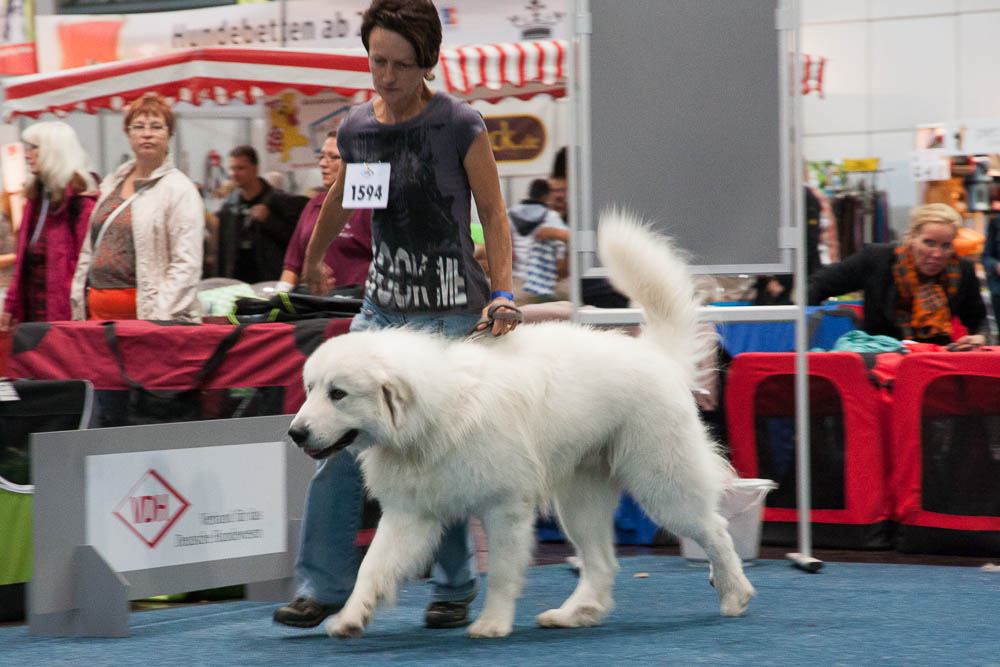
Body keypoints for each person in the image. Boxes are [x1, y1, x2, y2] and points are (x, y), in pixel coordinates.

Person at [273, 0, 519, 632]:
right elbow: (339, 198)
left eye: (400, 66)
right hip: (380, 311)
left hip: (451, 319)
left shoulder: (461, 124)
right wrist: (314, 255)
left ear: (428, 61)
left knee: (442, 460)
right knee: (330, 439)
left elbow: (493, 215)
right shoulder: (357, 127)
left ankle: (455, 585)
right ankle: (323, 584)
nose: (385, 77)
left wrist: (504, 291)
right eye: (377, 61)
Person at [69, 93, 205, 322]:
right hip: (96, 316)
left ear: (169, 133)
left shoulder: (179, 189)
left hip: (148, 318)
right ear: (128, 134)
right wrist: (78, 300)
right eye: (139, 127)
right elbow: (89, 250)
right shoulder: (112, 183)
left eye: (157, 127)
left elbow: (186, 264)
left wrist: (159, 318)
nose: (147, 134)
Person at [808, 202, 986, 346]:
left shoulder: (962, 271)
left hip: (934, 364)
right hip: (878, 361)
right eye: (929, 243)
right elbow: (818, 284)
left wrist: (978, 337)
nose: (937, 254)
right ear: (912, 238)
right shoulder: (877, 260)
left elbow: (978, 321)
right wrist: (805, 332)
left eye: (946, 246)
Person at [1, 122, 98, 331]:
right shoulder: (35, 199)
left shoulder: (81, 204)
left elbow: (89, 267)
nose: (27, 155)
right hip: (32, 320)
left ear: (54, 151)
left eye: (34, 148)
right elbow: (22, 263)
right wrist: (11, 305)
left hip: (67, 322)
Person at [275, 132, 372, 294]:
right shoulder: (313, 205)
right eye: (321, 157)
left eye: (333, 157)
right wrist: (278, 298)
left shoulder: (368, 206)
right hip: (316, 307)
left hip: (356, 307)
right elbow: (292, 265)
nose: (322, 163)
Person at [215, 145, 308, 284]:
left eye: (240, 168)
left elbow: (298, 242)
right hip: (236, 282)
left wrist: (270, 221)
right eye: (232, 168)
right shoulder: (229, 205)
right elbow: (223, 248)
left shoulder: (281, 202)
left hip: (271, 281)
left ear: (255, 168)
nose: (235, 173)